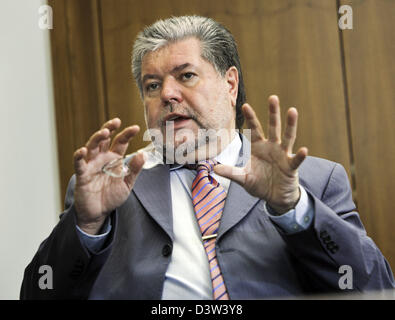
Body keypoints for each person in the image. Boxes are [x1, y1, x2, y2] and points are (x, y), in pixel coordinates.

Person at [21, 15, 394, 300]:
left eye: (185, 76)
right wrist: (86, 225)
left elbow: (374, 287)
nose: (167, 93)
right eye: (152, 85)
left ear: (230, 84)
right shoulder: (107, 185)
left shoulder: (313, 180)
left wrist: (294, 208)